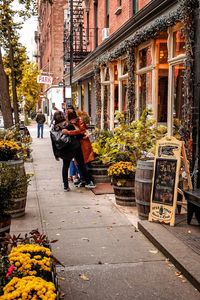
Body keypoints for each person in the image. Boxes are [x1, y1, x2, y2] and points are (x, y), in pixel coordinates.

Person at [50, 111, 95, 191]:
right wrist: (84, 136)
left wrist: (55, 154)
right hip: (75, 147)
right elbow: (79, 133)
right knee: (81, 164)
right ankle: (88, 182)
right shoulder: (68, 124)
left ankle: (66, 186)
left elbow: (54, 143)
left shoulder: (53, 129)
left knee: (65, 167)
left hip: (64, 150)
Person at [62, 110, 95, 188]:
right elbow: (80, 132)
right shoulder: (70, 124)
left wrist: (69, 132)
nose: (73, 121)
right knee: (79, 164)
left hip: (79, 145)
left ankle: (84, 180)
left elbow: (81, 131)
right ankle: (84, 180)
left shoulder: (77, 121)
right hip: (76, 146)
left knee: (80, 163)